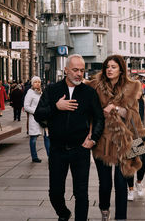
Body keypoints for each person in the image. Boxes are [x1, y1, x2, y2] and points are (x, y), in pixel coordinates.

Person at [34, 54, 104, 221]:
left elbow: (100, 118)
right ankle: (64, 213)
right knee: (55, 193)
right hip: (57, 149)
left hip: (80, 149)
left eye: (82, 70)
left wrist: (93, 138)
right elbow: (38, 114)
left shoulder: (89, 92)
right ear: (66, 70)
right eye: (75, 70)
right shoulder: (52, 90)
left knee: (81, 193)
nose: (79, 74)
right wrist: (56, 107)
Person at [86, 55, 145, 221]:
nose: (109, 70)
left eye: (113, 67)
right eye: (107, 67)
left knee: (121, 183)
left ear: (121, 69)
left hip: (124, 141)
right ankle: (104, 210)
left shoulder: (132, 86)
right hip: (102, 140)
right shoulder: (94, 86)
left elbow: (135, 115)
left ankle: (121, 218)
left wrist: (117, 108)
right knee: (105, 184)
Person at [24, 76, 50, 163]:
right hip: (34, 119)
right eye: (35, 82)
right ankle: (34, 156)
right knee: (34, 138)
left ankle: (50, 156)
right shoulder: (30, 93)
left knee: (47, 137)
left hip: (43, 119)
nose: (37, 84)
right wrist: (36, 112)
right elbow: (26, 106)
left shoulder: (42, 92)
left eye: (39, 82)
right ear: (32, 83)